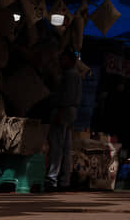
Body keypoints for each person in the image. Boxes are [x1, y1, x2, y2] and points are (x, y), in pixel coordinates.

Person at [45, 48, 83, 192]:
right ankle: (64, 180)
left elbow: (66, 97)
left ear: (71, 61)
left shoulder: (70, 75)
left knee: (57, 147)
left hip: (64, 110)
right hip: (69, 112)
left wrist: (60, 112)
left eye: (63, 59)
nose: (61, 62)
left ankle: (52, 179)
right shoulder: (75, 75)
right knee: (66, 147)